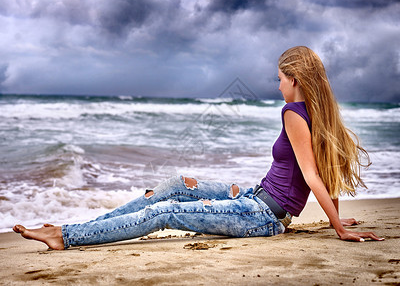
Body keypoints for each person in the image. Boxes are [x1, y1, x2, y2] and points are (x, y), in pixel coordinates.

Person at [13, 46, 384, 250]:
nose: (278, 86)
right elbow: (324, 170)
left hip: (262, 216)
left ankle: (66, 236)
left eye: (280, 79)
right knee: (176, 183)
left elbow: (311, 173)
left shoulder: (293, 113)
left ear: (295, 80)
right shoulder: (319, 114)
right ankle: (74, 227)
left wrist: (338, 227)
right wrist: (338, 214)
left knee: (166, 212)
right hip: (257, 197)